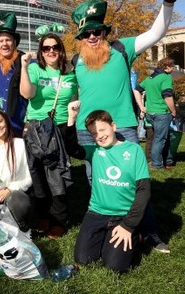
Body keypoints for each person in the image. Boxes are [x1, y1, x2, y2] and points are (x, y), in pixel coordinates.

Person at [72, 0, 180, 147]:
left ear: (104, 32)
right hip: (87, 128)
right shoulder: (75, 60)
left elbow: (156, 33)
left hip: (122, 126)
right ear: (81, 38)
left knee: (130, 173)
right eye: (86, 34)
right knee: (94, 174)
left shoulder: (122, 48)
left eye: (96, 31)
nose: (91, 36)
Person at [65, 103, 151, 272]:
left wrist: (128, 225)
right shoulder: (94, 151)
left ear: (113, 126)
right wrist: (71, 118)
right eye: (94, 133)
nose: (100, 136)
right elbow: (71, 148)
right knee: (83, 260)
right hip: (96, 213)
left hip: (123, 216)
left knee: (114, 267)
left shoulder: (134, 150)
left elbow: (143, 191)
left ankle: (136, 234)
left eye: (102, 130)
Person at [20, 33, 77, 237]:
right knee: (38, 174)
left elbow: (76, 98)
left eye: (55, 47)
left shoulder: (70, 73)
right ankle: (43, 215)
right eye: (46, 48)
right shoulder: (35, 69)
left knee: (57, 173)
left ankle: (59, 218)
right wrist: (24, 68)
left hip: (60, 128)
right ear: (41, 52)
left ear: (61, 50)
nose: (51, 51)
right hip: (36, 128)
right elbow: (27, 94)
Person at [0, 12, 27, 135]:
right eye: (0, 41)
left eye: (8, 40)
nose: (4, 44)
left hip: (17, 126)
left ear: (14, 42)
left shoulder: (25, 62)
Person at [135, 57, 177, 170]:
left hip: (150, 113)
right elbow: (167, 95)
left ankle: (166, 160)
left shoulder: (150, 78)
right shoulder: (166, 78)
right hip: (162, 112)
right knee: (160, 139)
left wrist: (141, 106)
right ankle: (156, 164)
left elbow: (136, 89)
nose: (173, 68)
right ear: (167, 67)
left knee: (158, 138)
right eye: (172, 66)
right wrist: (173, 111)